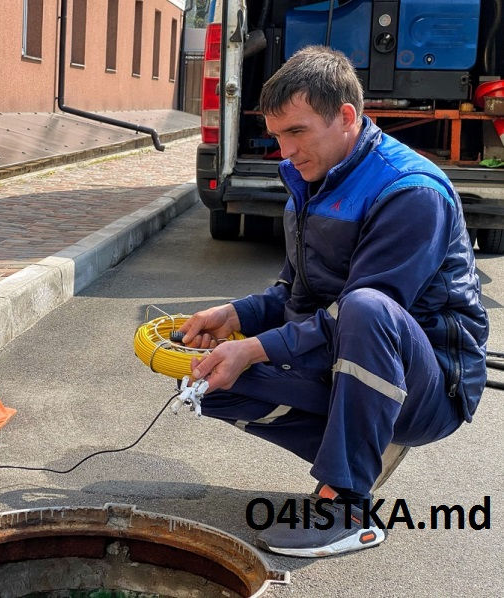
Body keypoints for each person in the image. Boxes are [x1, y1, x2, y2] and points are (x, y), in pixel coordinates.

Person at [178, 46, 488, 557]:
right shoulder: (309, 181)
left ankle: (348, 506)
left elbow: (363, 312)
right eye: (277, 136)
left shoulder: (410, 192)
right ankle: (363, 440)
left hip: (430, 384)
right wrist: (234, 316)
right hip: (356, 357)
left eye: (297, 132)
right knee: (203, 381)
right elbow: (296, 294)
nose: (285, 152)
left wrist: (255, 349)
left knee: (365, 307)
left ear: (346, 116)